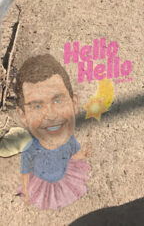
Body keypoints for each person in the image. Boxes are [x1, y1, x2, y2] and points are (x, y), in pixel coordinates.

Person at [15, 53, 91, 210]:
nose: (50, 115)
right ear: (23, 115)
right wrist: (26, 192)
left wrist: (82, 155)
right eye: (36, 106)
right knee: (46, 199)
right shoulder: (30, 150)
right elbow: (25, 173)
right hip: (42, 183)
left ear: (74, 103)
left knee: (64, 196)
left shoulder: (70, 141)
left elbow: (72, 156)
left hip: (64, 177)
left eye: (58, 100)